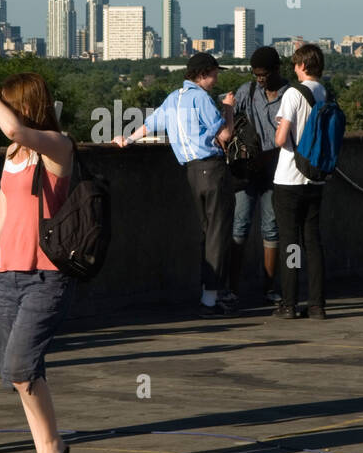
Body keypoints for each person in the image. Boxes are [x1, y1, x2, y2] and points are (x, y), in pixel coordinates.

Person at [0, 73, 76, 453]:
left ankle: (53, 451)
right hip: (8, 272)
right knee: (18, 374)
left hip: (46, 275)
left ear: (25, 105)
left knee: (21, 365)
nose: (3, 108)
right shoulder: (13, 154)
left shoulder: (56, 144)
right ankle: (46, 451)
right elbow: (2, 212)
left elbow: (13, 127)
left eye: (9, 101)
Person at [113, 52, 236, 316]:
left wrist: (127, 139)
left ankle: (210, 293)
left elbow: (148, 126)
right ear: (203, 74)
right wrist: (228, 108)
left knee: (206, 232)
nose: (216, 79)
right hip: (212, 169)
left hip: (192, 173)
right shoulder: (201, 98)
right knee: (218, 233)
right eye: (214, 73)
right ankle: (211, 299)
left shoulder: (173, 99)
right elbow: (225, 133)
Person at [222, 46, 285, 303]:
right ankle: (232, 289)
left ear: (277, 70)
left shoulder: (290, 95)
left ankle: (269, 288)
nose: (261, 79)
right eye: (256, 74)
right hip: (246, 172)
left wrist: (266, 157)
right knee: (240, 226)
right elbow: (230, 120)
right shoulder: (247, 92)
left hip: (275, 170)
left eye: (264, 74)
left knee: (271, 229)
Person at [272, 44, 329, 319]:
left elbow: (281, 139)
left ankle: (289, 303)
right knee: (313, 242)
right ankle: (317, 304)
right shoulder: (324, 92)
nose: (294, 69)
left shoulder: (293, 94)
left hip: (289, 178)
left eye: (295, 64)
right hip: (315, 177)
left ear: (303, 66)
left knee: (289, 243)